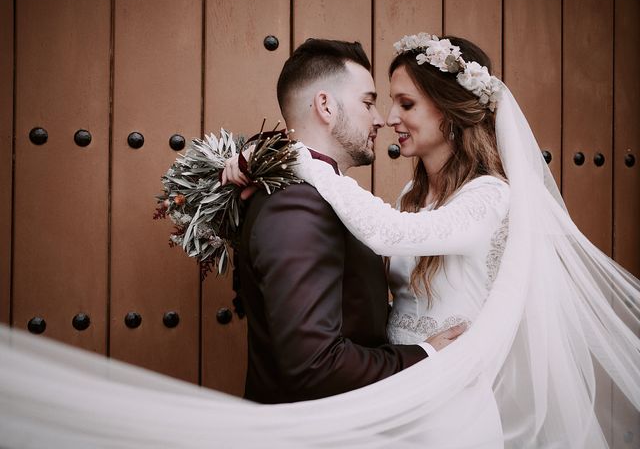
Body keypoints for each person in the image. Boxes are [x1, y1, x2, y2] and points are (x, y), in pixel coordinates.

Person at [226, 33, 640, 447]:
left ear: (448, 111)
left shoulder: (490, 196)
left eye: (405, 104)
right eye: (380, 102)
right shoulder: (409, 198)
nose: (388, 118)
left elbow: (390, 234)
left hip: (448, 399)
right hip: (391, 398)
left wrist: (295, 155)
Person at [227, 38, 463, 404]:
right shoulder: (298, 203)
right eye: (368, 103)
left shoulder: (312, 191)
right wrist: (426, 356)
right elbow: (315, 365)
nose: (380, 118)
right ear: (325, 105)